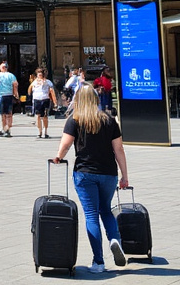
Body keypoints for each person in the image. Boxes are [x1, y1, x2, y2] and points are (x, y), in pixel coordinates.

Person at [53, 84, 130, 274]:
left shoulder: (75, 120)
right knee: (106, 210)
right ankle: (114, 239)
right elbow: (119, 149)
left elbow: (66, 144)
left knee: (91, 215)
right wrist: (124, 176)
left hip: (85, 173)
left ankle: (99, 262)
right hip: (108, 173)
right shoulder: (110, 121)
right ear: (96, 99)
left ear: (78, 100)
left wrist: (58, 157)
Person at [29, 68, 58, 139]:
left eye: (41, 73)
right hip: (37, 99)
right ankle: (40, 132)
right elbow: (29, 90)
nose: (40, 74)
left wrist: (55, 102)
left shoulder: (48, 82)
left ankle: (45, 131)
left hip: (45, 99)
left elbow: (52, 92)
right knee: (38, 116)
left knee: (45, 116)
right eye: (38, 73)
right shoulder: (34, 82)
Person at [0, 62, 19, 137]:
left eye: (0, 67)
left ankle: (4, 128)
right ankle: (8, 129)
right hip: (9, 95)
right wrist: (15, 94)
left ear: (3, 68)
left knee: (3, 114)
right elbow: (15, 85)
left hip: (2, 95)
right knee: (9, 113)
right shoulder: (11, 75)